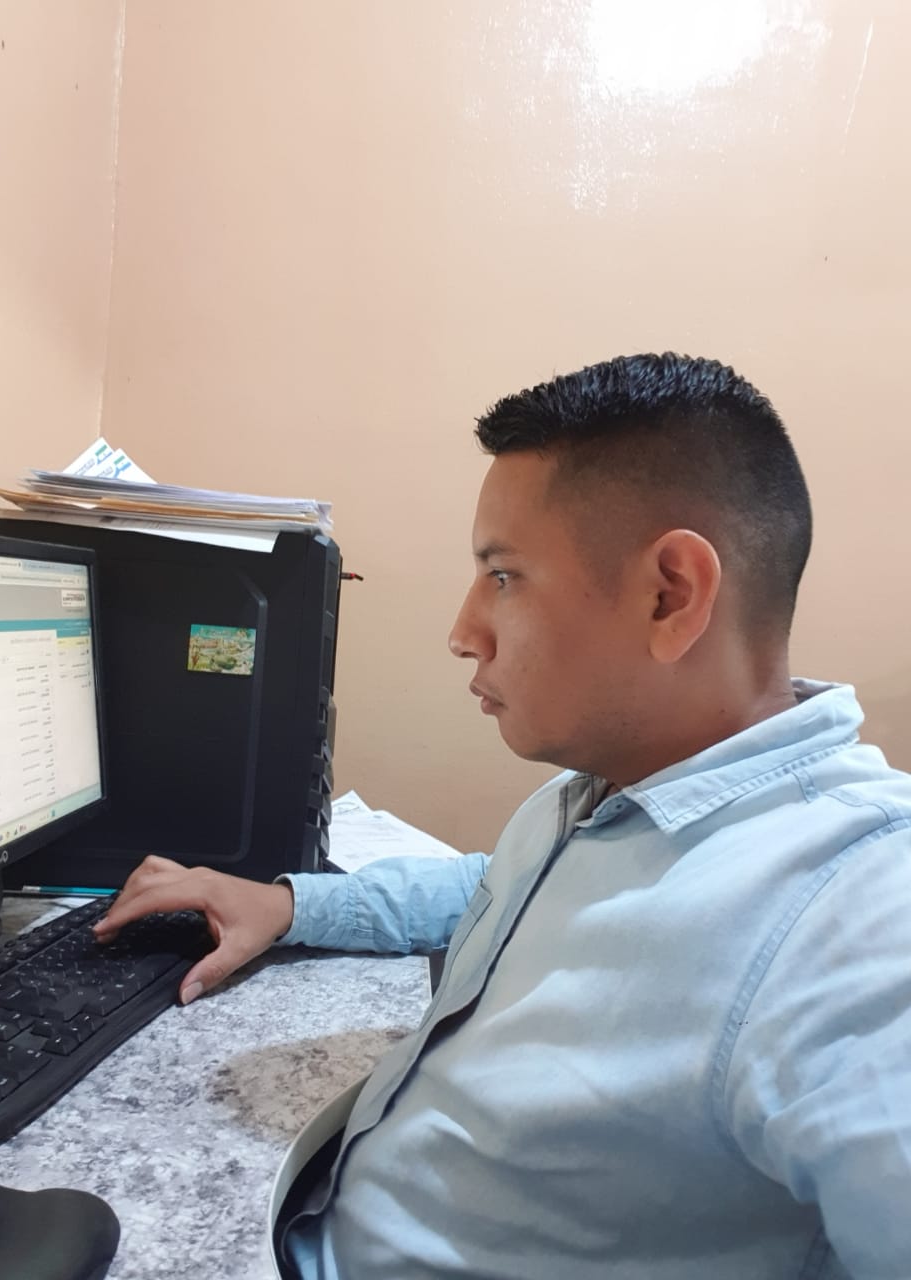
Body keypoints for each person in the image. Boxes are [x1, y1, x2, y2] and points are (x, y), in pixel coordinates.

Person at [95, 353, 911, 1279]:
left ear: (670, 594)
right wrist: (289, 904)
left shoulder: (860, 912)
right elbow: (492, 887)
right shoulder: (604, 795)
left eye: (505, 577)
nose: (463, 632)